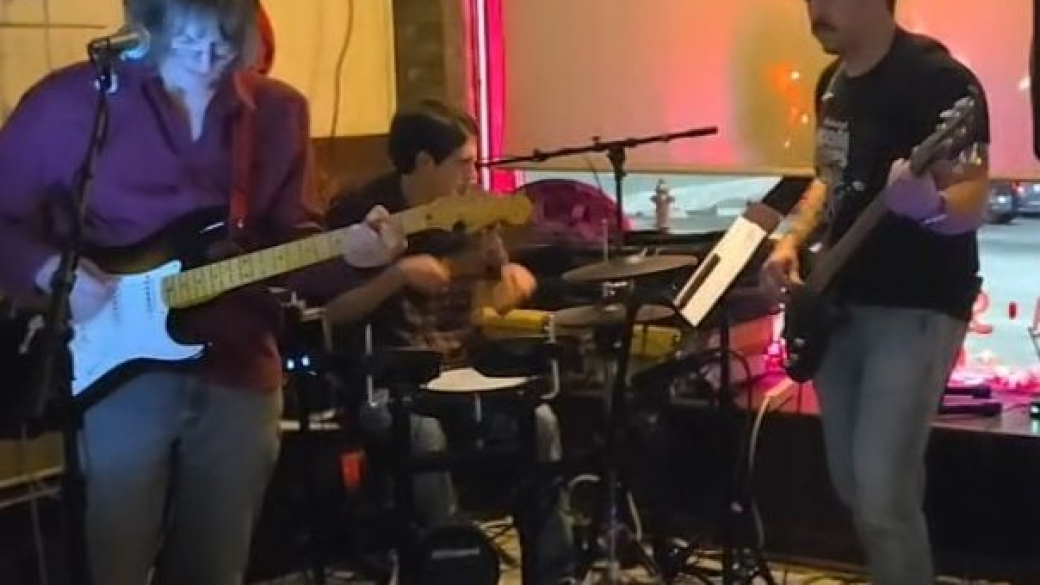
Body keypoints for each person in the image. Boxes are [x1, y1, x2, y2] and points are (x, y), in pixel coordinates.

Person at [0, 1, 358, 583]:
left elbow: (294, 241)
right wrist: (51, 272)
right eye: (189, 41)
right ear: (150, 25)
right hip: (115, 367)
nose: (208, 58)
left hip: (241, 360)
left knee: (217, 564)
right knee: (114, 559)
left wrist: (355, 255)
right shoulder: (72, 103)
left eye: (224, 42)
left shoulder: (277, 110)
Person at [761, 0, 990, 583]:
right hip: (838, 304)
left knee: (883, 495)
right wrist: (791, 241)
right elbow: (828, 180)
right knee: (854, 487)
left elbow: (971, 199)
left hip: (917, 307)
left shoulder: (940, 81)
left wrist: (929, 206)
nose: (816, 9)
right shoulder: (831, 83)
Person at [324, 99, 574, 584]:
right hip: (387, 382)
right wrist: (396, 276)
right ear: (423, 162)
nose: (472, 175)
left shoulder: (469, 215)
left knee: (539, 420)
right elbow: (331, 314)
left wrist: (508, 278)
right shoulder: (362, 217)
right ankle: (452, 566)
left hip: (460, 370)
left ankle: (553, 574)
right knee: (423, 434)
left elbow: (490, 304)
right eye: (463, 163)